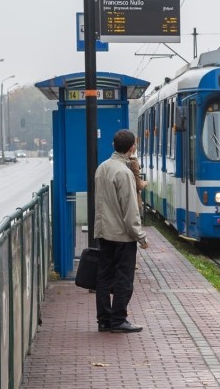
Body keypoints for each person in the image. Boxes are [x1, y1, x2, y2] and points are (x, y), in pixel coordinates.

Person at [94, 129, 148, 334]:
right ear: (132, 147)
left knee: (104, 277)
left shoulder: (102, 168)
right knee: (124, 278)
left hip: (104, 232)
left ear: (113, 145)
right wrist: (140, 236)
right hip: (122, 235)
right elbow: (130, 209)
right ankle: (118, 320)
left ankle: (104, 320)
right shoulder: (124, 173)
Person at [128, 147, 147, 212]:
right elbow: (138, 185)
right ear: (131, 148)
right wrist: (145, 183)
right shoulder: (133, 163)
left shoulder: (105, 165)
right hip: (133, 202)